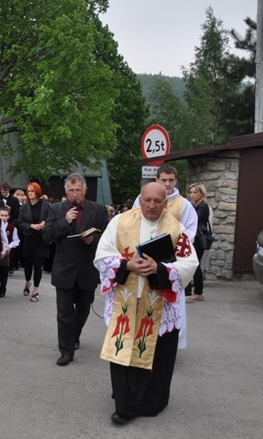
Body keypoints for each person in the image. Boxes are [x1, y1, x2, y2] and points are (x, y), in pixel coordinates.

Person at [94, 182, 198, 425]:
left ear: (165, 203)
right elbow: (102, 255)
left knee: (157, 356)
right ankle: (124, 404)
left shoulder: (176, 228)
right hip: (127, 301)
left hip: (158, 304)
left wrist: (160, 268)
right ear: (140, 199)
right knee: (124, 351)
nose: (151, 205)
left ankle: (152, 402)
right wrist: (127, 264)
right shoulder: (119, 222)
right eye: (147, 200)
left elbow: (188, 262)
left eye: (157, 201)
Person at [42, 173, 109, 366]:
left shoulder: (98, 210)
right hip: (64, 270)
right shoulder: (55, 209)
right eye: (71, 191)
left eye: (78, 190)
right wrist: (65, 222)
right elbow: (47, 236)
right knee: (64, 313)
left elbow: (106, 239)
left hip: (87, 270)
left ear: (85, 191)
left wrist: (91, 240)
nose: (74, 194)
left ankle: (74, 335)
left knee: (82, 311)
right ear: (65, 191)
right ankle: (66, 351)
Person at [132, 164, 198, 241]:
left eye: (171, 180)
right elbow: (134, 221)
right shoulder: (144, 198)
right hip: (144, 242)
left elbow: (190, 229)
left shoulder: (184, 204)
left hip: (174, 247)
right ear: (157, 180)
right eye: (164, 180)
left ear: (175, 181)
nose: (167, 184)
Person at [17, 183, 50, 302]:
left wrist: (44, 224)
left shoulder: (46, 206)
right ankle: (27, 281)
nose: (30, 193)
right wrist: (31, 225)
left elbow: (51, 219)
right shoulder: (25, 206)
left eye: (32, 191)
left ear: (38, 192)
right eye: (29, 191)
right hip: (29, 239)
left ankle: (36, 290)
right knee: (28, 264)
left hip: (41, 239)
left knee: (37, 265)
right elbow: (20, 223)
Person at [185, 182, 213, 303]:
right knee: (194, 265)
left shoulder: (203, 206)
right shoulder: (194, 205)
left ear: (201, 193)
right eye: (190, 192)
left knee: (192, 264)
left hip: (197, 238)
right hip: (193, 237)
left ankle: (190, 293)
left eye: (195, 192)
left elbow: (194, 220)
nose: (192, 195)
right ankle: (198, 291)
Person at [0, 206, 20, 297]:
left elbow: (16, 240)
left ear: (9, 217)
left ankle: (2, 289)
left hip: (6, 253)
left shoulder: (12, 228)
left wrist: (10, 246)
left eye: (6, 216)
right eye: (1, 215)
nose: (3, 217)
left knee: (4, 272)